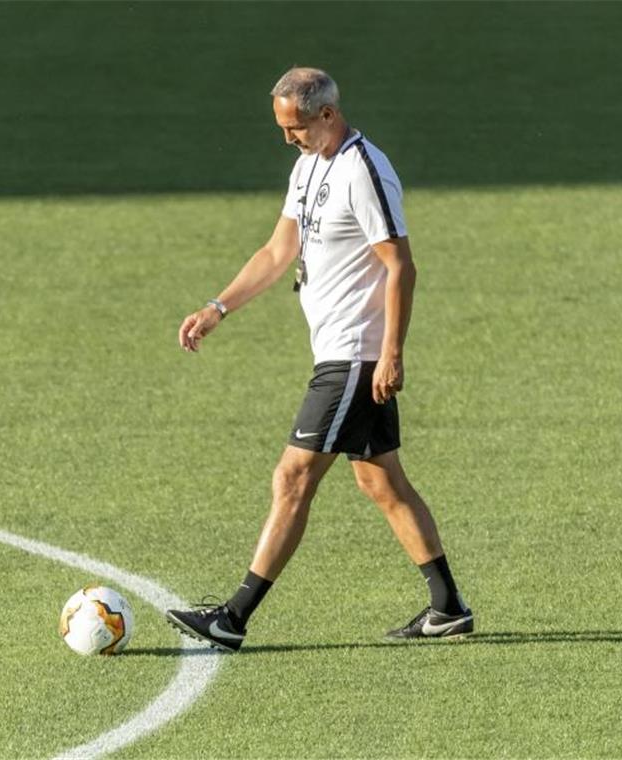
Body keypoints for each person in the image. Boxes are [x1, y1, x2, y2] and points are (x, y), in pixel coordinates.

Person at [165, 67, 473, 652]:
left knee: (292, 477)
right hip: (340, 351)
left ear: (328, 114)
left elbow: (400, 265)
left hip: (354, 356)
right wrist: (217, 307)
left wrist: (391, 354)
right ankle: (448, 606)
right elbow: (279, 250)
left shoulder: (364, 170)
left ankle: (232, 617)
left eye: (296, 127)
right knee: (382, 482)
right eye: (282, 128)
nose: (288, 139)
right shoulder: (308, 166)